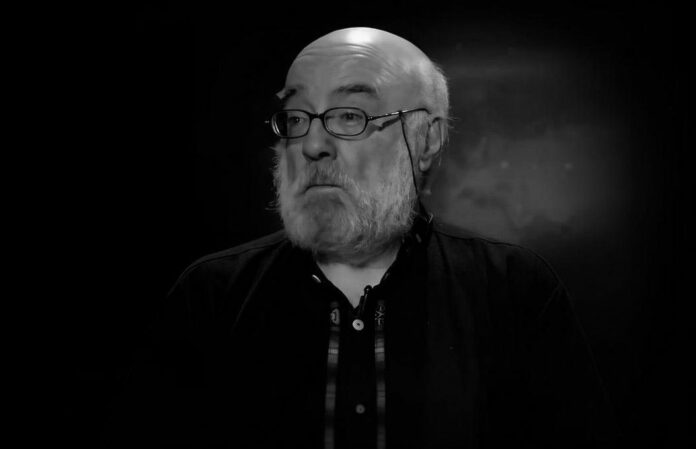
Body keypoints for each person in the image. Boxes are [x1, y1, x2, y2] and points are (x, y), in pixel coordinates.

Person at [105, 27, 618, 448]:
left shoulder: (514, 291)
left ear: (427, 139)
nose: (312, 144)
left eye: (349, 115)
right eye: (297, 117)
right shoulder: (212, 295)